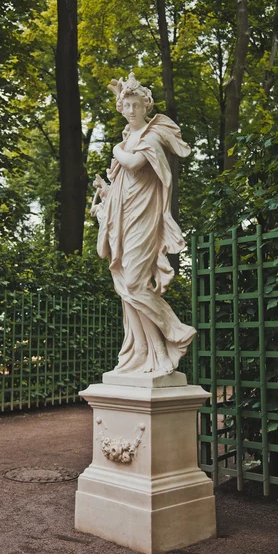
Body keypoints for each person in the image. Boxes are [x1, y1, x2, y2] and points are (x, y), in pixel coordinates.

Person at [91, 73, 196, 375]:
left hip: (144, 220)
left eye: (137, 104)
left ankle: (175, 330)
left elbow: (134, 164)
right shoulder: (127, 139)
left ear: (146, 106)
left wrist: (115, 151)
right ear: (121, 108)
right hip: (124, 220)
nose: (132, 109)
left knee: (135, 283)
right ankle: (149, 353)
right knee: (127, 289)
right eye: (127, 105)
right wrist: (106, 196)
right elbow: (124, 184)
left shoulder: (149, 139)